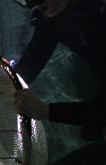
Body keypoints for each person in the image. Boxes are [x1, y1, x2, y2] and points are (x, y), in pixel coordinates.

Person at [12, 0, 106, 140]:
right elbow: (29, 66)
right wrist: (0, 78)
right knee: (91, 131)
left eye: (45, 6)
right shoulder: (50, 19)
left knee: (94, 126)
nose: (46, 13)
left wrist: (46, 111)